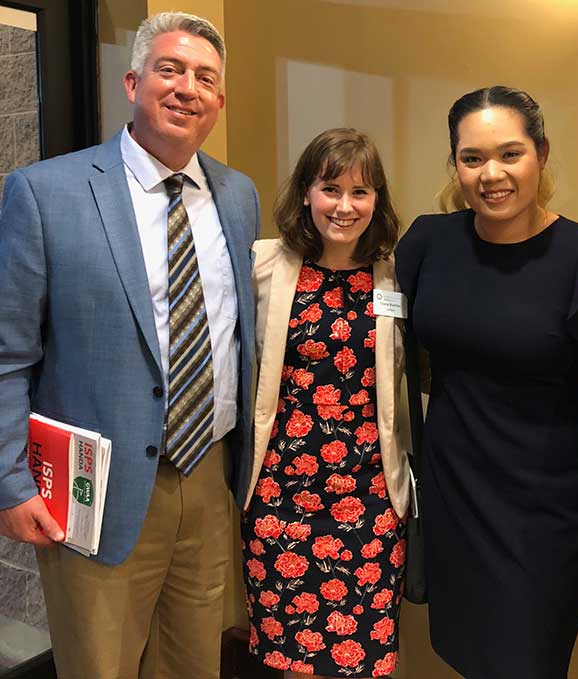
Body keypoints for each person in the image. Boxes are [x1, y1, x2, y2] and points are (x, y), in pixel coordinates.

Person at [0, 12, 259, 679]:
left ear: (219, 101)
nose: (187, 88)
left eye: (205, 77)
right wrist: (10, 481)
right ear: (133, 82)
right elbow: (9, 354)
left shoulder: (238, 196)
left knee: (194, 662)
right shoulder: (45, 192)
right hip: (96, 482)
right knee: (99, 663)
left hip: (207, 475)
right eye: (169, 70)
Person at [394, 86, 578, 679]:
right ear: (455, 165)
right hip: (453, 495)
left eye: (510, 154)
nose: (490, 174)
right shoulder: (428, 242)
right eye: (472, 159)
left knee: (526, 662)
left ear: (541, 153)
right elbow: (383, 347)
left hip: (544, 516)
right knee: (470, 656)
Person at [242, 128, 410, 679]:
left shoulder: (396, 275)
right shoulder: (263, 267)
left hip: (369, 495)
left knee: (365, 657)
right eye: (330, 188)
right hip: (282, 495)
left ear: (377, 200)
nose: (344, 206)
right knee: (295, 659)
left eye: (360, 192)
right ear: (306, 194)